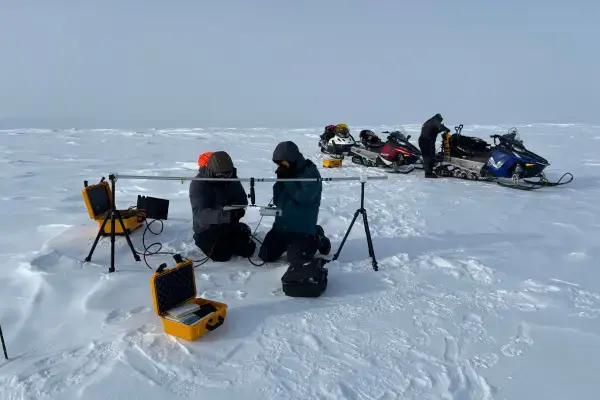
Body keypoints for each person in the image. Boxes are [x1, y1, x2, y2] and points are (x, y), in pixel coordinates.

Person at [258, 141, 330, 266]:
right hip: (282, 227)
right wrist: (280, 182)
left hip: (302, 228)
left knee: (297, 259)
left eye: (283, 163)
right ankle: (286, 241)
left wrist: (288, 180)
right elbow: (277, 200)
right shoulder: (286, 172)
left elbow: (304, 198)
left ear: (292, 159)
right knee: (265, 255)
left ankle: (317, 237)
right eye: (278, 164)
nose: (281, 166)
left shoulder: (310, 173)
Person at [189, 151, 256, 262]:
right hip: (206, 228)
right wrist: (226, 215)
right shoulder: (198, 184)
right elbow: (200, 213)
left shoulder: (231, 178)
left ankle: (237, 232)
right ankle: (199, 239)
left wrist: (237, 212)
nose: (225, 177)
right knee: (222, 255)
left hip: (228, 224)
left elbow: (242, 200)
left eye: (227, 174)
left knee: (248, 250)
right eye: (222, 175)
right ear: (212, 171)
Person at [419, 113, 450, 178]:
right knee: (428, 157)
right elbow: (440, 126)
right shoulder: (434, 121)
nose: (440, 121)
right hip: (425, 141)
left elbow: (434, 131)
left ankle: (430, 169)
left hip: (427, 141)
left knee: (431, 155)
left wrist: (441, 130)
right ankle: (428, 174)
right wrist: (445, 129)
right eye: (440, 120)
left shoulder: (430, 122)